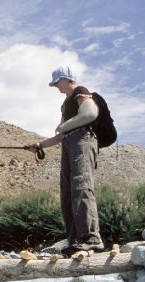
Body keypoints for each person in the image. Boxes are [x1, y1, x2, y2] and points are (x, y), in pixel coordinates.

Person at [26, 66, 104, 255]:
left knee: (82, 187)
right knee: (68, 193)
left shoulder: (80, 91)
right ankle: (75, 241)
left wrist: (63, 126)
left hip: (83, 141)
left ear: (67, 79)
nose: (56, 87)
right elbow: (61, 135)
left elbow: (90, 114)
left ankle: (91, 239)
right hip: (69, 143)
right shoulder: (66, 104)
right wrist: (40, 145)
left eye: (57, 82)